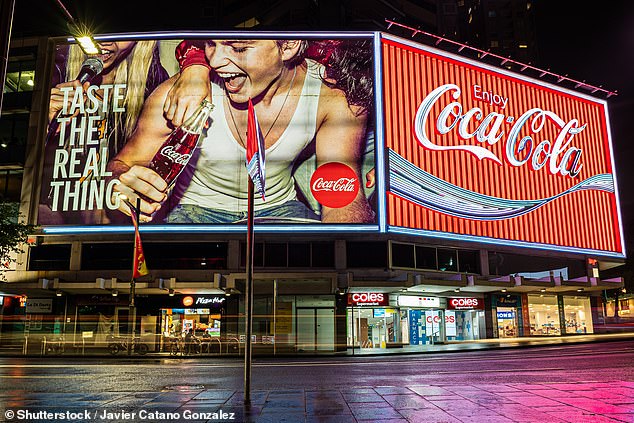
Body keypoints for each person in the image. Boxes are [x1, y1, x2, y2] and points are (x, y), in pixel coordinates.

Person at [108, 38, 375, 224]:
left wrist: (348, 273)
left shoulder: (330, 95)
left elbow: (342, 199)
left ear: (289, 46)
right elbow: (122, 165)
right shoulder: (181, 92)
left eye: (238, 49)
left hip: (279, 210)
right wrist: (123, 185)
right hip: (192, 211)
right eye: (211, 44)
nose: (216, 61)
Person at [39, 41, 169, 225]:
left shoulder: (154, 81)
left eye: (123, 29)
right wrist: (43, 124)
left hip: (114, 220)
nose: (105, 41)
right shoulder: (54, 66)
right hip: (56, 212)